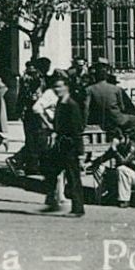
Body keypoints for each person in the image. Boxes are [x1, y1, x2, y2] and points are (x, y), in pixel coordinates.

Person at [41, 75, 86, 217]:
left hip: (70, 145)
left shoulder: (71, 105)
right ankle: (52, 200)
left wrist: (80, 152)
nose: (57, 89)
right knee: (50, 171)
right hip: (61, 144)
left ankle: (78, 209)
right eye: (55, 87)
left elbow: (77, 129)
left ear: (67, 87)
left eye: (60, 86)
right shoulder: (61, 102)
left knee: (73, 177)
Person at [88, 134, 135, 207]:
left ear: (126, 138)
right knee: (98, 168)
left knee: (121, 169)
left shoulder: (132, 147)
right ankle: (101, 196)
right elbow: (104, 157)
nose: (116, 141)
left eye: (120, 138)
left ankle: (124, 200)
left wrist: (115, 150)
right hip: (120, 176)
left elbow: (124, 161)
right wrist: (91, 163)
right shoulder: (116, 147)